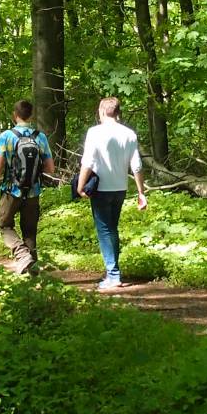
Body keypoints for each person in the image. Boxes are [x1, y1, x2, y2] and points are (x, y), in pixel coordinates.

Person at [76, 97, 147, 291]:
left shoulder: (95, 132)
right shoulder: (129, 134)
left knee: (105, 230)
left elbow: (88, 162)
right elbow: (137, 165)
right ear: (118, 112)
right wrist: (141, 192)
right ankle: (112, 271)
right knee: (112, 229)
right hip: (120, 188)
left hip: (101, 189)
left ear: (101, 112)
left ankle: (113, 275)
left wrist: (80, 186)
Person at [0, 100, 55, 275]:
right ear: (31, 115)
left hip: (11, 191)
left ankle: (22, 254)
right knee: (30, 232)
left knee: (4, 225)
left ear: (14, 115)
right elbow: (50, 168)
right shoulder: (40, 137)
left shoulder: (7, 136)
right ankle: (34, 275)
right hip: (33, 191)